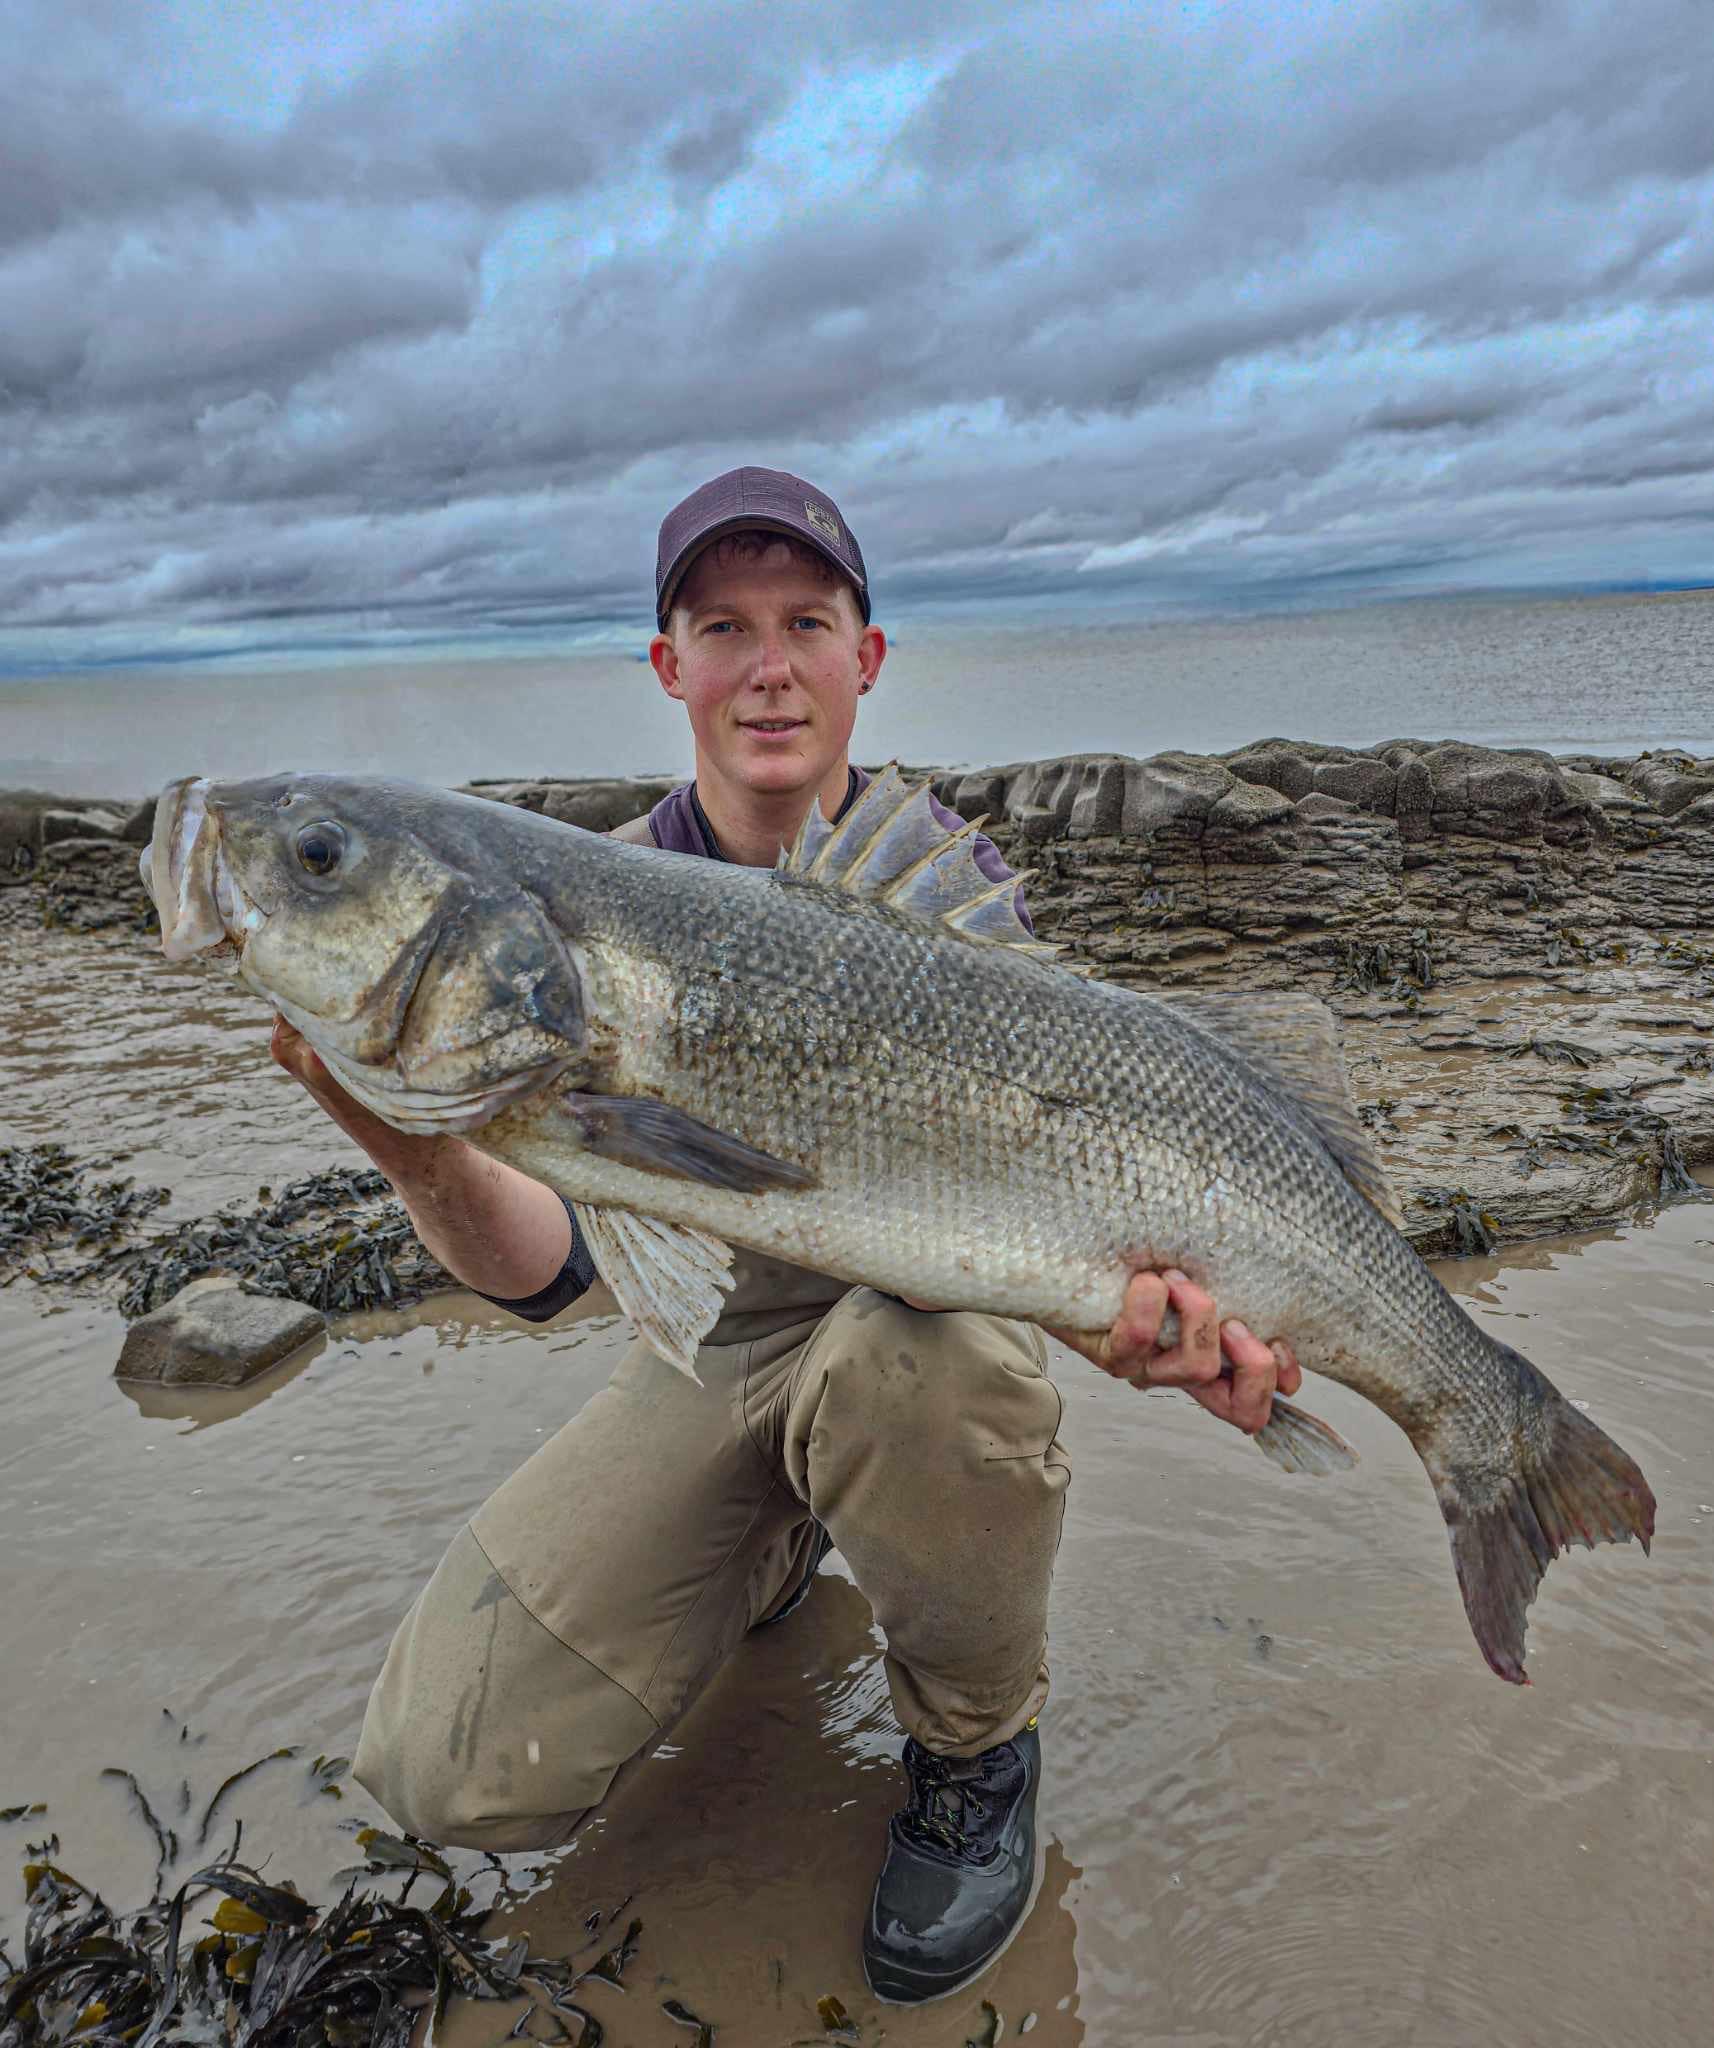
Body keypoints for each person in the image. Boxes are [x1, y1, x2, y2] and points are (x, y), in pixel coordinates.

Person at [272, 467, 1301, 2006]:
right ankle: (776, 1536)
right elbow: (546, 1271)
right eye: (722, 625)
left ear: (864, 657)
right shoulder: (581, 896)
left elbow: (1078, 1208)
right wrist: (408, 1136)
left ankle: (975, 1755)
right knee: (447, 1774)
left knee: (918, 1368)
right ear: (667, 663)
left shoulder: (950, 910)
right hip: (715, 1350)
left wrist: (1155, 1322)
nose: (766, 665)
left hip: (924, 1340)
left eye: (805, 622)